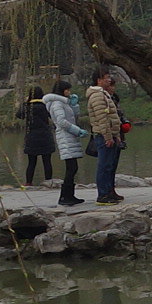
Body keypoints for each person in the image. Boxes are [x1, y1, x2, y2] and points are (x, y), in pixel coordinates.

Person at [84, 69, 129, 203]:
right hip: (103, 136)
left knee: (109, 165)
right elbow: (102, 118)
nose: (109, 80)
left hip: (111, 135)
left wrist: (116, 135)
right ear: (99, 80)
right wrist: (108, 137)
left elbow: (112, 116)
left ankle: (109, 191)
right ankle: (103, 194)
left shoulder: (104, 94)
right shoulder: (97, 96)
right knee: (104, 166)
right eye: (107, 78)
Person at [44, 80, 87, 205]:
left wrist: (74, 105)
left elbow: (73, 116)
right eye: (67, 90)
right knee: (71, 167)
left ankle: (69, 195)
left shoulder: (64, 103)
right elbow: (62, 121)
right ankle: (65, 196)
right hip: (65, 136)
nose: (69, 92)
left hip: (70, 136)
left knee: (72, 167)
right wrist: (77, 130)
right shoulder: (57, 103)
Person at [19, 87, 56, 185]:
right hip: (45, 136)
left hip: (32, 137)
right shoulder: (45, 105)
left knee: (31, 162)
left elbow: (19, 115)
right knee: (47, 161)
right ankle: (49, 182)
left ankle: (28, 183)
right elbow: (52, 115)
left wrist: (25, 102)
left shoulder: (27, 107)